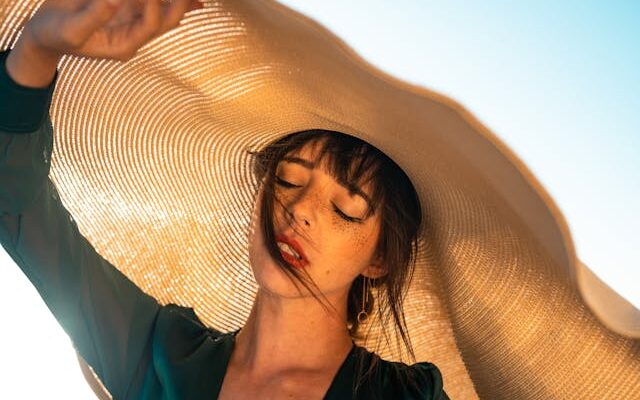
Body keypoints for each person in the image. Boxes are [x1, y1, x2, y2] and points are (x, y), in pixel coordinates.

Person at [0, 1, 448, 399]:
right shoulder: (160, 353)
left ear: (380, 258)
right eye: (289, 179)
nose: (301, 209)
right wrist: (37, 49)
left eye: (345, 209)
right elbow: (17, 209)